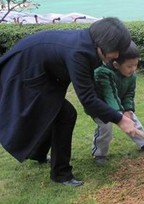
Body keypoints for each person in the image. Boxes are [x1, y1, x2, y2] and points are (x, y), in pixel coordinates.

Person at [0, 17, 137, 187]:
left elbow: (91, 88)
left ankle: (38, 153)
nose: (117, 55)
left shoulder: (89, 46)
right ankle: (61, 174)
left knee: (57, 112)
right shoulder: (79, 52)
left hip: (43, 73)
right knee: (65, 114)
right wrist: (119, 119)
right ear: (104, 43)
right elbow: (87, 98)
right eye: (116, 50)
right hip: (24, 72)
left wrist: (111, 111)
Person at [92, 41, 144, 165]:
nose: (133, 69)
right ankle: (99, 154)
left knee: (133, 121)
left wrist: (128, 110)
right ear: (116, 65)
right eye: (129, 66)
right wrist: (119, 116)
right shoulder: (103, 73)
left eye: (136, 65)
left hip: (120, 105)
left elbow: (129, 94)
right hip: (101, 106)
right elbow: (110, 95)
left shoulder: (131, 76)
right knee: (105, 128)